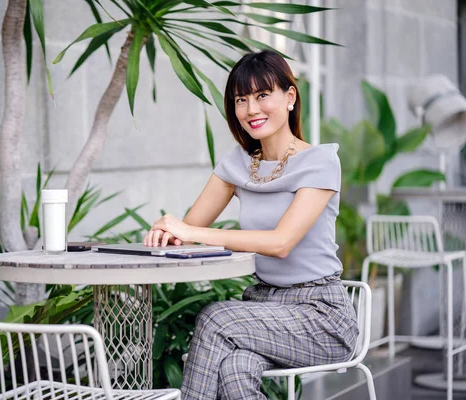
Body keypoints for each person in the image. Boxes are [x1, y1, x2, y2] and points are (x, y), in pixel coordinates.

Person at [143, 50, 359, 400]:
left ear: (289, 97)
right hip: (263, 308)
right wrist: (166, 230)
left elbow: (280, 242)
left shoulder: (319, 161)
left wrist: (189, 231)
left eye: (262, 95)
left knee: (217, 318)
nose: (251, 109)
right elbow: (186, 230)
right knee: (235, 369)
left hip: (321, 317)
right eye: (241, 100)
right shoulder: (238, 165)